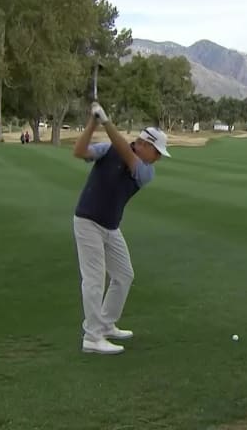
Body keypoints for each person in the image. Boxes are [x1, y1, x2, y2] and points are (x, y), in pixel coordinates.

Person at [71, 102, 171, 355]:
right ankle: (92, 338)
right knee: (94, 279)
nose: (158, 158)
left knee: (124, 275)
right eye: (157, 152)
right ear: (145, 145)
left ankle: (104, 324)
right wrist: (93, 123)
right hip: (87, 221)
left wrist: (106, 121)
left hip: (111, 226)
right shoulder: (108, 149)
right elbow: (79, 151)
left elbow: (127, 155)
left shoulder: (146, 171)